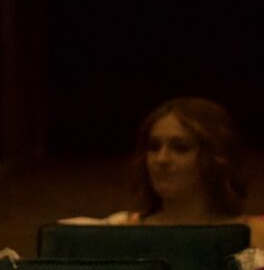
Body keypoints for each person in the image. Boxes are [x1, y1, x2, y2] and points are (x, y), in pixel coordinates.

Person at [62, 97, 263, 245]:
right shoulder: (119, 234)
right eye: (154, 147)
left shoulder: (255, 236)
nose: (162, 159)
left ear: (216, 158)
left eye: (180, 148)